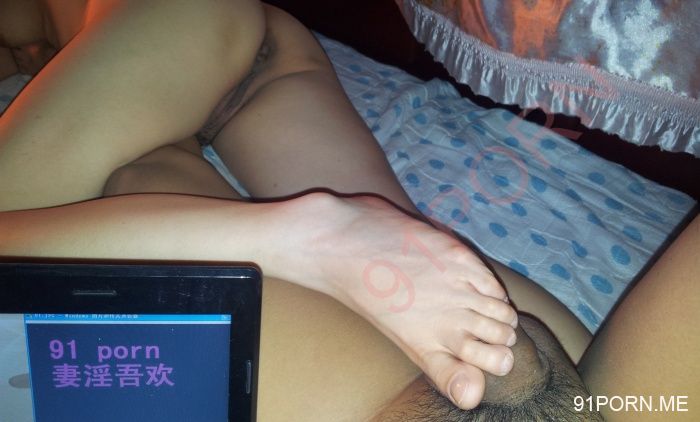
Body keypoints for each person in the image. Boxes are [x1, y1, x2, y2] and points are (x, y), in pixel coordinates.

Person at [0, 1, 697, 420]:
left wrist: (301, 238)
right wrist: (310, 238)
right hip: (236, 51)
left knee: (124, 154)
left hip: (225, 60)